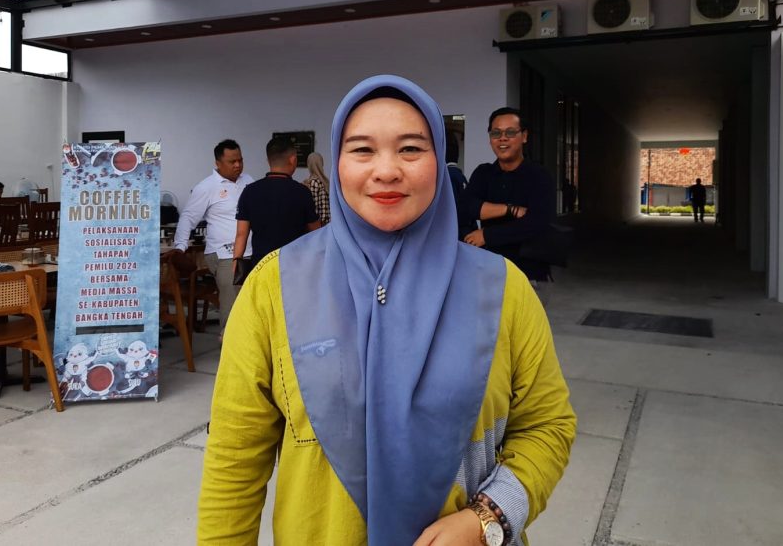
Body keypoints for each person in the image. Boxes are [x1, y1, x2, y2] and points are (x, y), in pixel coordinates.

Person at [198, 75, 575, 545]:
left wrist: (488, 517)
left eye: (411, 149)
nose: (387, 170)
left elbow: (547, 425)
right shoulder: (274, 286)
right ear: (337, 162)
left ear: (439, 160)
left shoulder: (501, 287)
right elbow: (234, 457)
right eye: (362, 150)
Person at [458, 107, 556, 285]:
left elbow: (537, 223)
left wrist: (487, 235)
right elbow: (465, 208)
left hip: (529, 274)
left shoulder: (539, 176)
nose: (502, 138)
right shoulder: (483, 173)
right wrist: (510, 210)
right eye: (496, 133)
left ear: (524, 136)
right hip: (489, 270)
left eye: (510, 132)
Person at [173, 139, 254, 334]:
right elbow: (188, 217)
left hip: (252, 251)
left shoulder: (248, 181)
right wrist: (180, 247)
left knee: (252, 304)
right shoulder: (207, 187)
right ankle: (228, 342)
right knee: (232, 303)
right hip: (225, 254)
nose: (237, 165)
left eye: (240, 160)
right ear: (218, 163)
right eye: (232, 161)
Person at [232, 137, 321, 278]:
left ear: (268, 161)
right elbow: (316, 232)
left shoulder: (250, 191)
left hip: (261, 267)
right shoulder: (302, 192)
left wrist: (237, 260)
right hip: (294, 267)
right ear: (293, 160)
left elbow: (241, 234)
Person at [302, 151, 331, 225]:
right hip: (326, 224)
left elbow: (312, 208)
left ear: (309, 165)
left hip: (317, 225)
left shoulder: (313, 182)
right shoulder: (325, 182)